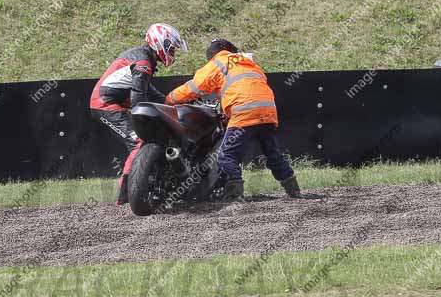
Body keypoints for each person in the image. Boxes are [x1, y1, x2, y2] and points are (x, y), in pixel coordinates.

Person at [165, 38, 300, 200]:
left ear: (212, 55)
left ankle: (233, 194)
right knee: (273, 153)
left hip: (244, 111)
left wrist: (169, 99)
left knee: (226, 156)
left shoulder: (218, 63)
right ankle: (294, 190)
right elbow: (245, 87)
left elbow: (194, 87)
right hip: (267, 110)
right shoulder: (248, 63)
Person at [90, 23, 188, 205]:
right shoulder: (143, 63)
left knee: (144, 140)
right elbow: (138, 99)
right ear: (160, 43)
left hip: (111, 102)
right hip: (105, 104)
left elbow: (150, 92)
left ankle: (138, 187)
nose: (172, 53)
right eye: (171, 48)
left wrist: (173, 104)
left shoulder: (143, 58)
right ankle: (126, 195)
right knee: (137, 143)